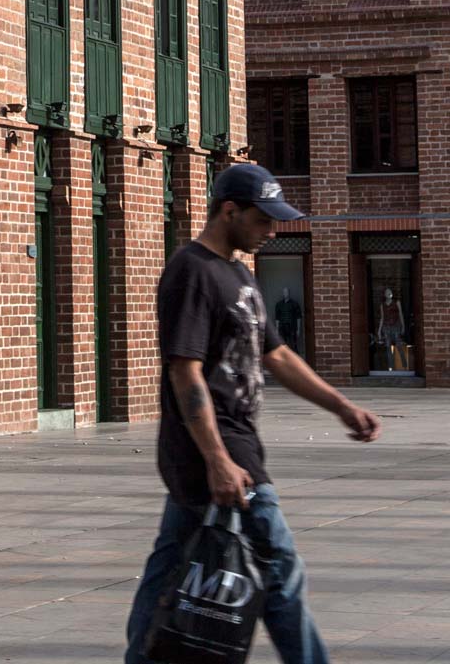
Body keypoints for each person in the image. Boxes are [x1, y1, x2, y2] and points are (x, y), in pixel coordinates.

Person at [126, 164, 382, 664]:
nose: (272, 230)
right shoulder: (192, 271)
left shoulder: (240, 272)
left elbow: (277, 356)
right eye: (263, 220)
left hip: (227, 451)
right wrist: (218, 459)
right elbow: (185, 371)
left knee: (171, 569)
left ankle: (141, 657)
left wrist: (342, 406)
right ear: (229, 211)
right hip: (220, 455)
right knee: (280, 570)